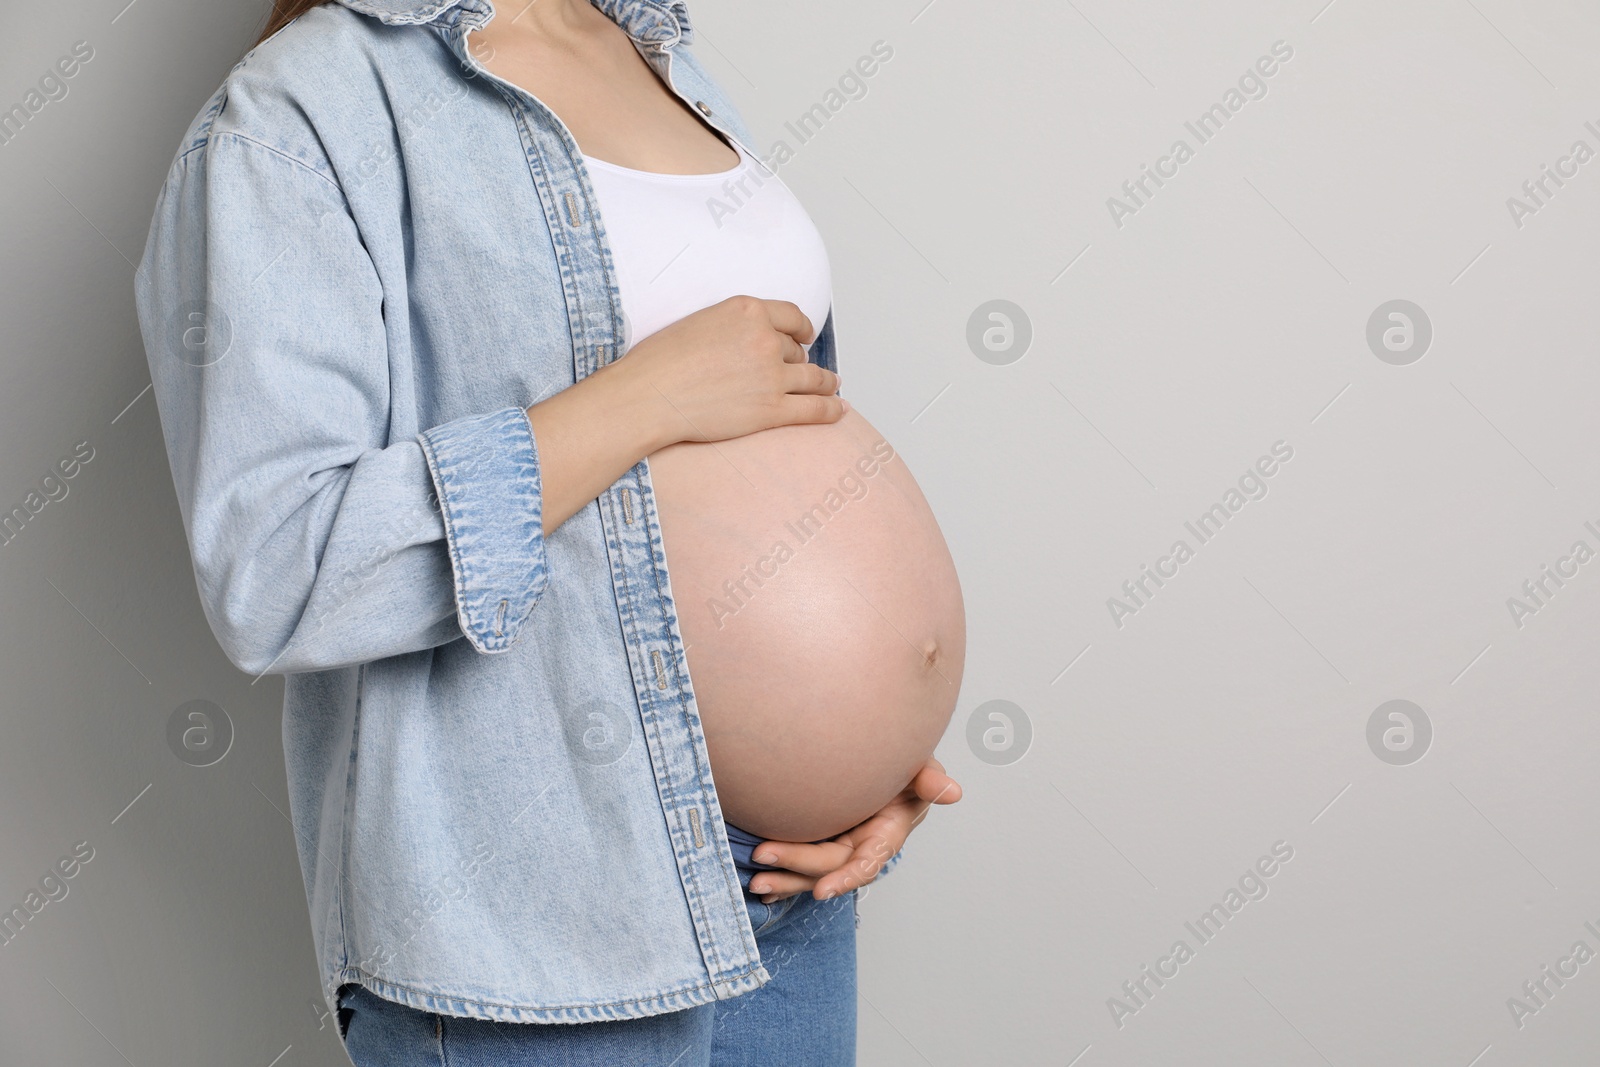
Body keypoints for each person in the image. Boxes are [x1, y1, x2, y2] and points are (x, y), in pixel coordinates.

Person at [133, 0, 961, 1063]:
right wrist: (635, 400)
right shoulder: (298, 110)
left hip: (784, 879)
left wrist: (866, 745)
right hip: (543, 915)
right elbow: (277, 565)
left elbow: (777, 425)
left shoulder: (658, 52)